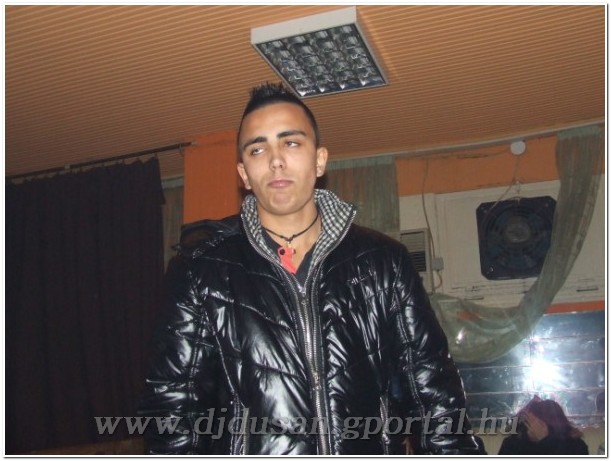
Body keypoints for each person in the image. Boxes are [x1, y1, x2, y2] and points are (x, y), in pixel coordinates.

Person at [137, 82, 480, 455]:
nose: (275, 160)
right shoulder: (200, 271)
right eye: (258, 149)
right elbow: (171, 410)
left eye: (291, 142)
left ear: (319, 160)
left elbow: (435, 396)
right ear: (244, 173)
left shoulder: (384, 262)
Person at [498, 397, 589, 455]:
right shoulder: (512, 444)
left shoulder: (575, 445)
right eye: (528, 420)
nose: (534, 426)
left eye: (539, 422)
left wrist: (545, 441)